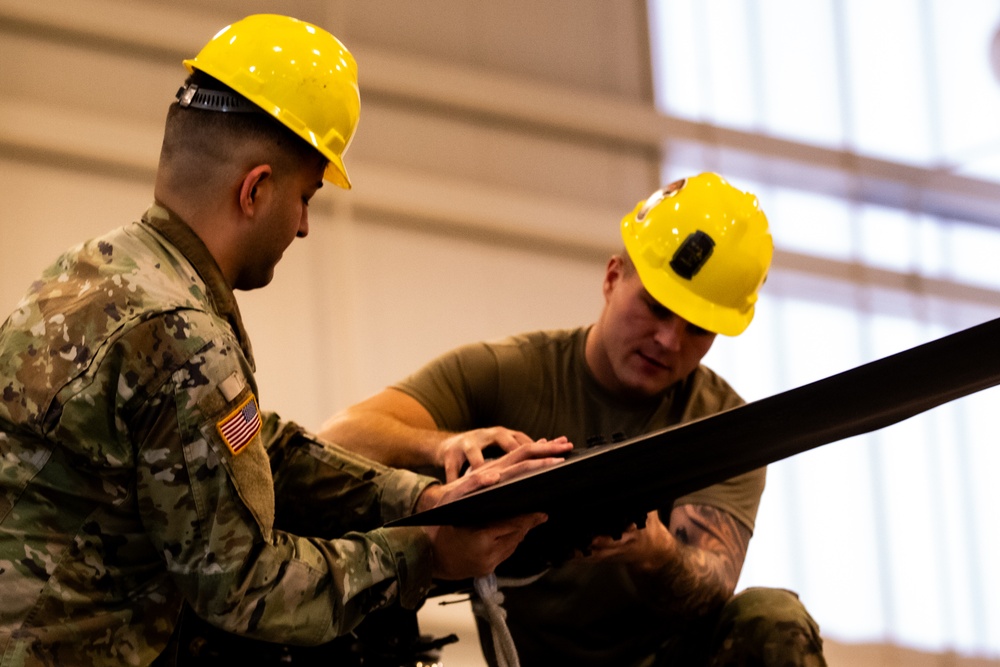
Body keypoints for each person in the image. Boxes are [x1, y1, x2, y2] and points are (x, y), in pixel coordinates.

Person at [0, 14, 571, 667]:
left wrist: (419, 497)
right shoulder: (183, 337)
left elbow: (250, 440)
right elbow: (244, 585)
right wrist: (427, 551)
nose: (303, 225)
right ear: (256, 188)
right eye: (307, 196)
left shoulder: (96, 269)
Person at [321, 173, 828, 666]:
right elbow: (336, 439)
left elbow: (712, 588)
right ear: (612, 277)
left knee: (773, 619)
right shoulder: (505, 374)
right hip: (526, 657)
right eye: (655, 308)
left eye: (698, 329)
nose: (669, 340)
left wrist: (652, 549)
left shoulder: (724, 425)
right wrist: (442, 446)